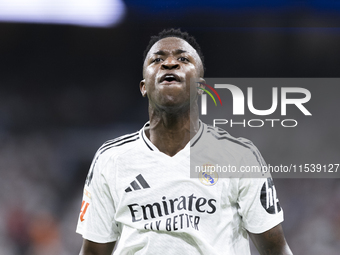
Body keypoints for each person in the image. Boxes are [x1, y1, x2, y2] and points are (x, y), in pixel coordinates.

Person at [76, 28, 293, 255]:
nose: (169, 63)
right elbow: (93, 251)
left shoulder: (240, 155)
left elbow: (275, 249)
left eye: (182, 59)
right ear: (143, 87)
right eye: (157, 59)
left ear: (201, 88)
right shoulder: (111, 158)